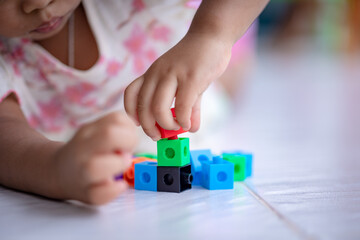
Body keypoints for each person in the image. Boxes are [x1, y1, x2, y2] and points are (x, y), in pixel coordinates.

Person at [0, 0, 268, 205]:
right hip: (93, 133)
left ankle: (237, 38)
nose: (37, 3)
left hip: (190, 39)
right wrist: (55, 168)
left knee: (220, 89)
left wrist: (213, 34)